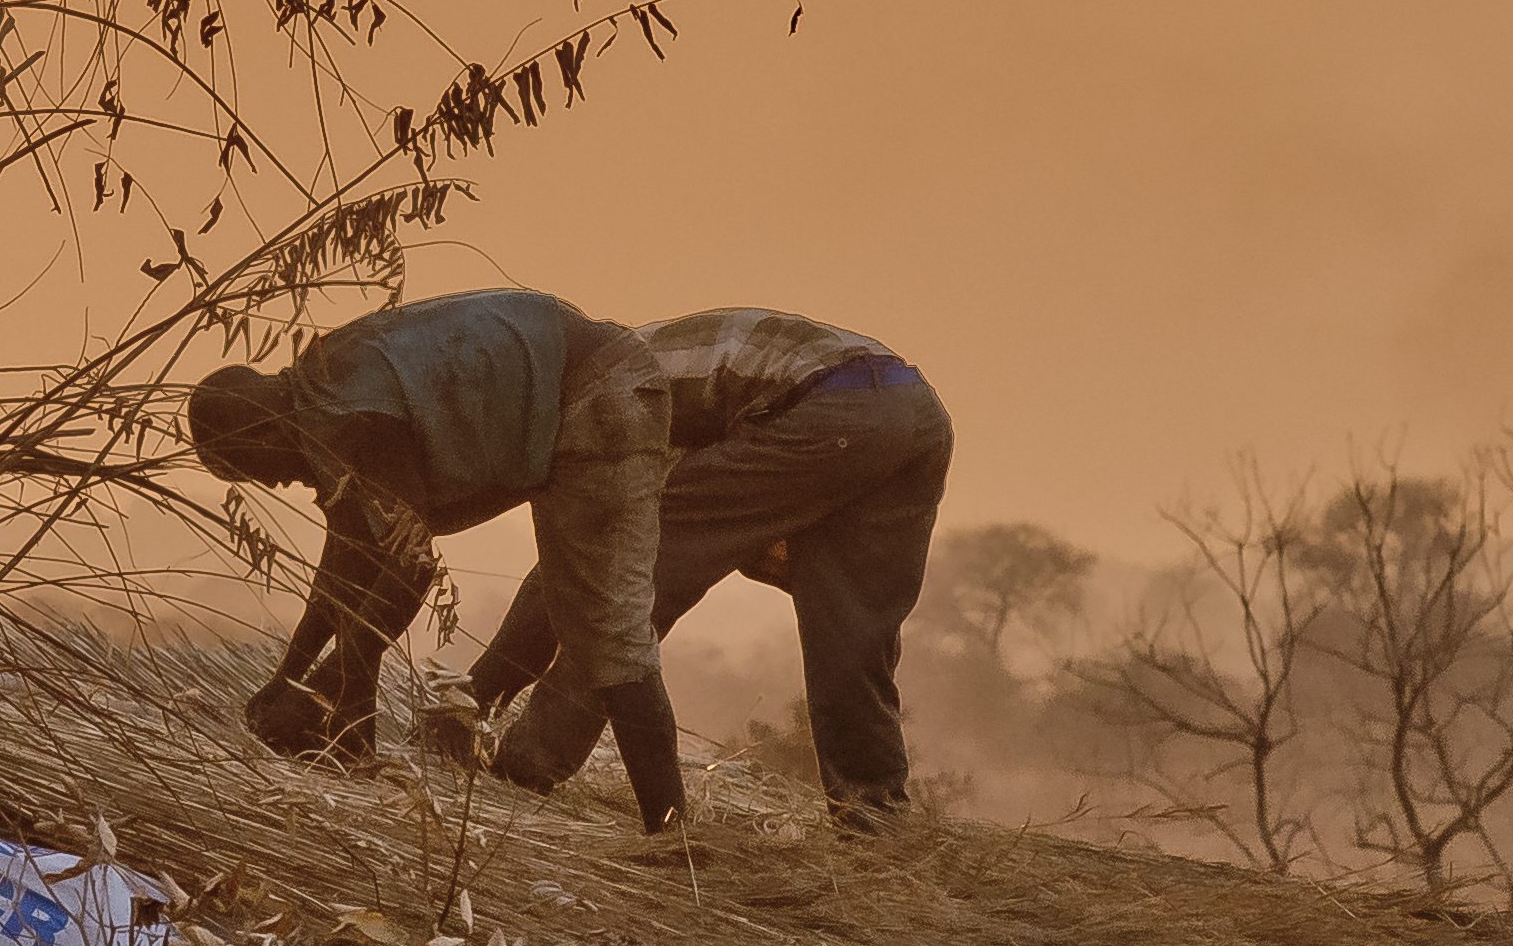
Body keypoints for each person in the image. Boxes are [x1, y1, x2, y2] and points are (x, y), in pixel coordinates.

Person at [185, 289, 688, 833]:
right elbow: (350, 561)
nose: (274, 482)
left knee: (609, 629)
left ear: (260, 432)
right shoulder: (322, 396)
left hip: (600, 396)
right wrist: (291, 678)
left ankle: (673, 838)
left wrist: (340, 694)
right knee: (579, 611)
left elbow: (410, 567)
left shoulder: (352, 419)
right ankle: (664, 829)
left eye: (252, 470)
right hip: (580, 389)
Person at [457, 308, 952, 832]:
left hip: (830, 405)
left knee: (625, 588)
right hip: (915, 412)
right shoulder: (628, 368)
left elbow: (592, 571)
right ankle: (876, 823)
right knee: (852, 637)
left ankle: (524, 768)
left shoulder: (602, 396)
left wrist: (475, 697)